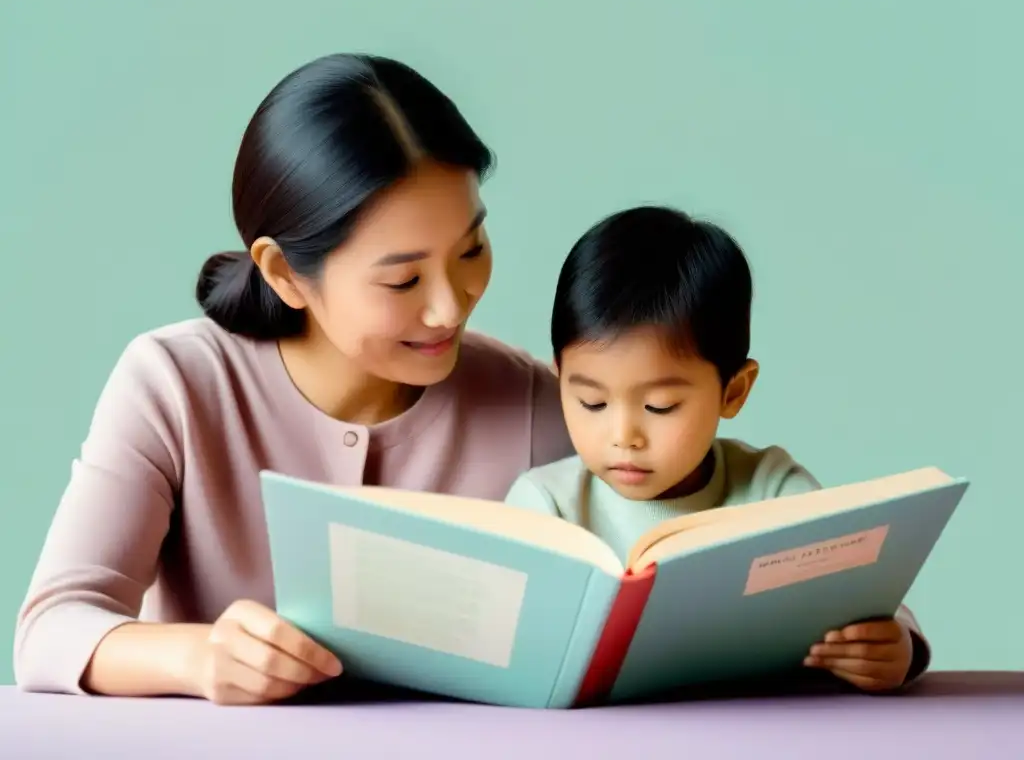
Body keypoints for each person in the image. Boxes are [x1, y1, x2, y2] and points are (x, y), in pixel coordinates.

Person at [12, 53, 575, 704]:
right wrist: (199, 658)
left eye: (472, 250)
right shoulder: (176, 385)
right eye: (402, 279)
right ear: (282, 272)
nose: (451, 306)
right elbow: (51, 628)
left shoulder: (536, 406)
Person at [503, 205, 931, 692]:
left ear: (733, 392)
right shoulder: (545, 504)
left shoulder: (771, 488)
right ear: (560, 378)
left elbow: (862, 594)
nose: (624, 435)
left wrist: (898, 646)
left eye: (661, 406)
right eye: (591, 402)